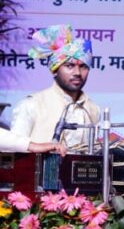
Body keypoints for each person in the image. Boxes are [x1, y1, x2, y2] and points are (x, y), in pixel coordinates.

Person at [8, 24, 99, 152]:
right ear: (54, 69)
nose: (77, 72)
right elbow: (13, 151)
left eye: (83, 66)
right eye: (69, 66)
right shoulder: (31, 105)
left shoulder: (92, 109)